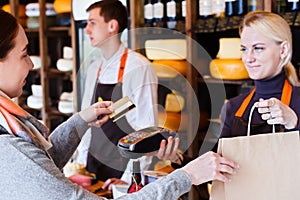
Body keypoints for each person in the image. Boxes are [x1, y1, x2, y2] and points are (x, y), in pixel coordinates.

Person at [71, 0, 179, 189]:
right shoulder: (94, 68)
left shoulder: (138, 67)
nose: (86, 30)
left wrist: (129, 179)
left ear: (112, 26)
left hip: (121, 171)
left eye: (92, 23)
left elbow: (146, 130)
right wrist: (79, 166)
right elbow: (86, 121)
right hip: (92, 168)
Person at [220, 11, 300, 139]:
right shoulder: (233, 107)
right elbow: (221, 158)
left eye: (258, 48)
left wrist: (294, 123)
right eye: (244, 49)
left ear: (283, 50)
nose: (248, 58)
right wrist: (181, 159)